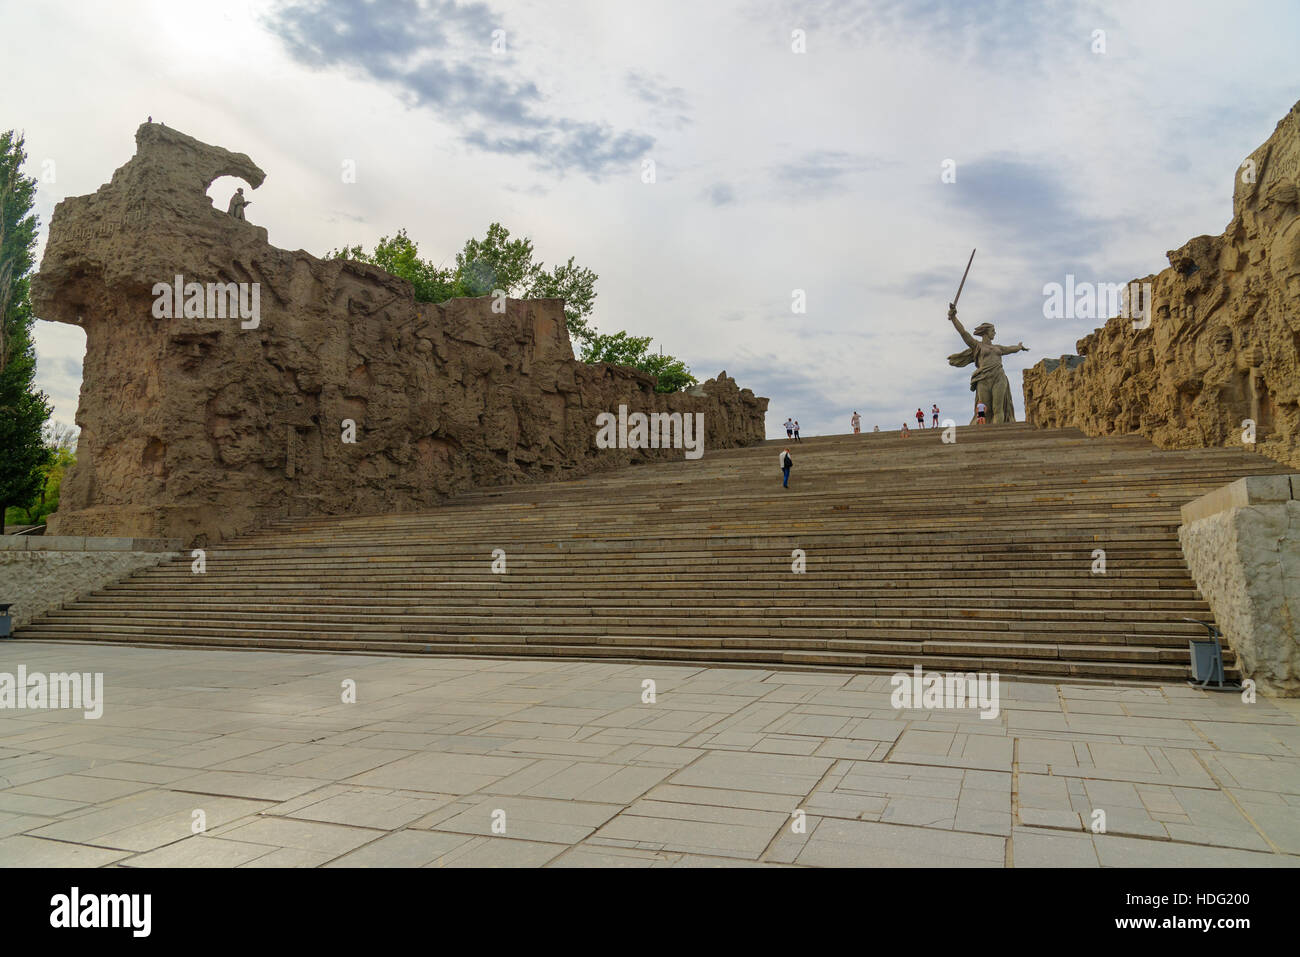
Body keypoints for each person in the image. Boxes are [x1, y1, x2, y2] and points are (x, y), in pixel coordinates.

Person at [946, 302, 1029, 424]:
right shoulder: (977, 346)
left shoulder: (998, 348)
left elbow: (1011, 349)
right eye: (993, 330)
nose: (995, 333)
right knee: (986, 410)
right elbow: (963, 333)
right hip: (983, 378)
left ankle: (999, 435)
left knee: (998, 408)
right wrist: (953, 318)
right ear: (986, 332)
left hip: (998, 377)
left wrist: (1019, 347)